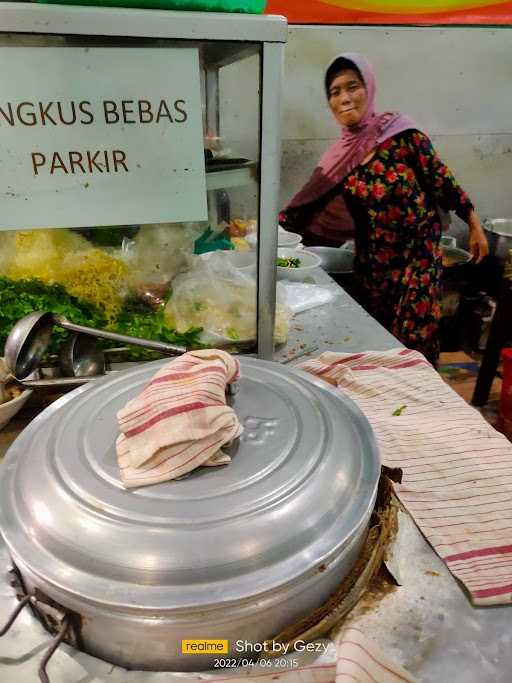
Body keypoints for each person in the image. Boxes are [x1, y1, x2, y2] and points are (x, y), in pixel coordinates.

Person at [279, 53, 489, 364]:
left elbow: (441, 180)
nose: (344, 98)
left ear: (369, 89)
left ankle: (422, 405)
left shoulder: (401, 135)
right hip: (372, 267)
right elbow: (304, 210)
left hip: (417, 261)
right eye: (334, 92)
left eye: (352, 87)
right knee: (378, 344)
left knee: (413, 343)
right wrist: (261, 235)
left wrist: (473, 223)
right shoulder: (338, 159)